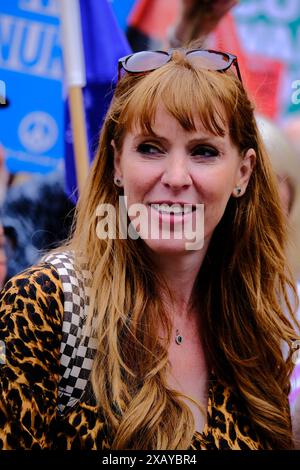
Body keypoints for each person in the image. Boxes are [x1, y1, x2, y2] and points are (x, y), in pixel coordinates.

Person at [0, 47, 299, 450]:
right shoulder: (45, 305)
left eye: (203, 152)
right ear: (117, 164)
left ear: (242, 173)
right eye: (151, 148)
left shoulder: (258, 322)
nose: (175, 177)